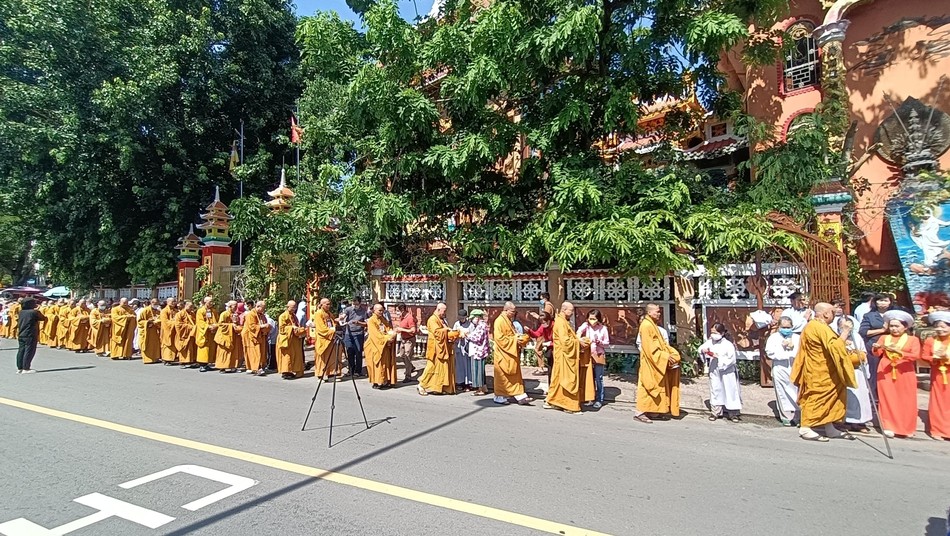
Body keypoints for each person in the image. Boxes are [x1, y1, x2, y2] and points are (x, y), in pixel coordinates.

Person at [791, 302, 857, 442]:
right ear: (826, 314)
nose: (834, 315)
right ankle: (806, 427)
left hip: (828, 369)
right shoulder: (818, 327)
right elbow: (834, 348)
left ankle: (830, 427)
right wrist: (845, 332)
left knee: (832, 398)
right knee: (816, 396)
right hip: (819, 371)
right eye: (832, 312)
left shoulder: (820, 326)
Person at [871, 309, 921, 438]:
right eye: (891, 326)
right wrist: (876, 348)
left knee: (906, 399)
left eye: (897, 326)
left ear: (905, 327)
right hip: (886, 370)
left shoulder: (912, 339)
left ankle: (906, 427)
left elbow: (916, 355)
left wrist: (899, 353)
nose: (893, 329)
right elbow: (876, 353)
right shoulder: (884, 337)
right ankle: (888, 425)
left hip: (904, 371)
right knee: (887, 398)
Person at [633, 304, 681, 423]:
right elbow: (650, 348)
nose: (659, 314)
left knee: (658, 385)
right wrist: (665, 356)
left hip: (657, 361)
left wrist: (671, 353)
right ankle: (640, 412)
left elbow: (661, 344)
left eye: (659, 312)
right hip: (650, 362)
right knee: (648, 386)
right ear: (649, 312)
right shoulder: (646, 325)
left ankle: (654, 411)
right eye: (657, 312)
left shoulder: (653, 325)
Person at [545, 301, 582, 413]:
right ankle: (568, 405)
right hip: (563, 356)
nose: (572, 313)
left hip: (563, 356)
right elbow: (565, 342)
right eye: (571, 310)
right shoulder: (560, 322)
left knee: (558, 379)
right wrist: (578, 342)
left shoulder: (563, 321)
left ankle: (554, 401)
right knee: (566, 379)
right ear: (564, 310)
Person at [492, 302, 532, 406]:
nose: (514, 313)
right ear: (506, 310)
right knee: (502, 376)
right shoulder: (499, 321)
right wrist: (515, 339)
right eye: (512, 311)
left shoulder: (508, 320)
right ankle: (499, 396)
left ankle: (520, 395)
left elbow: (511, 334)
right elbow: (499, 338)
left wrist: (518, 336)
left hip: (511, 353)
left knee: (515, 375)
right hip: (503, 353)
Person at [838, 316, 873, 434]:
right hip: (843, 371)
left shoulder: (857, 337)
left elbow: (863, 352)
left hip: (857, 370)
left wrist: (860, 355)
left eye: (848, 326)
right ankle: (845, 421)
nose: (847, 329)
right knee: (846, 396)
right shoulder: (837, 337)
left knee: (860, 396)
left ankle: (860, 422)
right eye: (843, 327)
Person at [699, 323, 741, 422]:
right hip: (714, 370)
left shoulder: (728, 344)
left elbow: (732, 359)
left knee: (730, 390)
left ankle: (733, 413)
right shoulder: (710, 342)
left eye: (716, 332)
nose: (713, 334)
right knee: (715, 389)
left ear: (722, 333)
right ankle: (716, 412)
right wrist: (703, 351)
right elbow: (701, 349)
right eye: (712, 332)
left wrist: (719, 357)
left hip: (727, 371)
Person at [859, 293, 896, 397]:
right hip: (874, 348)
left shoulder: (895, 315)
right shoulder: (869, 315)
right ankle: (874, 398)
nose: (882, 303)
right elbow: (863, 332)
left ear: (890, 302)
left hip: (892, 347)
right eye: (880, 300)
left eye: (885, 301)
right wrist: (882, 330)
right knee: (875, 373)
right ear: (875, 302)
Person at [765, 316, 800, 426]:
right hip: (780, 368)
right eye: (783, 327)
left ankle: (798, 416)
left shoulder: (797, 337)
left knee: (796, 392)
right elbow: (769, 352)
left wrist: (792, 351)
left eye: (788, 327)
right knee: (782, 392)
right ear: (779, 327)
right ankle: (786, 416)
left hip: (794, 367)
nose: (786, 329)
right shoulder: (774, 338)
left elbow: (802, 351)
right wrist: (784, 353)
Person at [921, 311, 950, 440]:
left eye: (943, 326)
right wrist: (935, 358)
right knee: (938, 402)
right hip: (938, 375)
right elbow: (924, 356)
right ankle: (937, 430)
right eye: (937, 326)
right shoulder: (930, 340)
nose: (940, 329)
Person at [417, 303, 457, 396]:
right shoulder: (432, 319)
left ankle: (438, 387)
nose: (445, 313)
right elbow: (437, 332)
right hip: (435, 348)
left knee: (442, 368)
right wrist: (447, 330)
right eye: (444, 311)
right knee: (431, 367)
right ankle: (422, 385)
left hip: (443, 347)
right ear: (438, 310)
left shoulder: (442, 319)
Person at [576, 309, 609, 409]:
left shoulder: (603, 329)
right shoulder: (586, 326)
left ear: (598, 319)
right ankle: (589, 397)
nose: (592, 321)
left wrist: (599, 342)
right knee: (588, 377)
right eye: (590, 318)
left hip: (598, 354)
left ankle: (599, 399)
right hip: (587, 355)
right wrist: (580, 338)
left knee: (598, 378)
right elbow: (577, 333)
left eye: (594, 319)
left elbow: (607, 343)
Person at [364, 303, 397, 389]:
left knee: (385, 363)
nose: (381, 312)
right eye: (379, 310)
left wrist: (391, 334)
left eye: (382, 310)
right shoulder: (371, 320)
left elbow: (388, 329)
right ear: (374, 311)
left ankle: (385, 380)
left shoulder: (383, 319)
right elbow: (375, 335)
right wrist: (387, 338)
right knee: (377, 364)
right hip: (374, 345)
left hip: (384, 345)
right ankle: (376, 382)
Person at [278, 300, 308, 379]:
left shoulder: (294, 316)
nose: (294, 309)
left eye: (295, 307)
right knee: (288, 356)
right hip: (287, 339)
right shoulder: (283, 316)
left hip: (295, 339)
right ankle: (286, 372)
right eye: (292, 307)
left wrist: (299, 329)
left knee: (296, 355)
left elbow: (297, 325)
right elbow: (282, 329)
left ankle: (296, 370)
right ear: (287, 307)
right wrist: (292, 328)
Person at [311, 298, 340, 379]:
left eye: (329, 304)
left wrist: (337, 321)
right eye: (327, 304)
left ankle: (330, 372)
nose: (328, 306)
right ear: (321, 304)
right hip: (323, 338)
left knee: (331, 356)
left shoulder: (329, 313)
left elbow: (332, 322)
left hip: (330, 338)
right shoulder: (318, 313)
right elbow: (321, 328)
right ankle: (321, 374)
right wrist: (332, 330)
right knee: (322, 357)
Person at [15, 298, 45, 374]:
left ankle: (20, 368)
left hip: (21, 333)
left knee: (21, 350)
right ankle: (26, 368)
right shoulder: (33, 312)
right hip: (30, 334)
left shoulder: (21, 312)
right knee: (29, 350)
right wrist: (38, 310)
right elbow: (43, 318)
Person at [341, 297, 368, 377]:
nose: (354, 305)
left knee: (358, 352)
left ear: (359, 303)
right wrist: (340, 318)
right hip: (348, 333)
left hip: (359, 333)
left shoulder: (363, 311)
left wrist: (359, 323)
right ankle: (351, 370)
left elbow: (366, 323)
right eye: (353, 303)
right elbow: (343, 316)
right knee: (350, 351)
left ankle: (358, 371)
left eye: (356, 304)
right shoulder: (348, 309)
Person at [465, 309, 490, 395]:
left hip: (479, 351)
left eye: (473, 319)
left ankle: (480, 389)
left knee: (478, 370)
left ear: (477, 317)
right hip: (478, 351)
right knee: (480, 370)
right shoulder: (480, 325)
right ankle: (483, 387)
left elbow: (477, 338)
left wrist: (467, 336)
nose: (472, 321)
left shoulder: (481, 326)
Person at [214, 300, 243, 373]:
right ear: (230, 306)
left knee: (233, 352)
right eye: (235, 306)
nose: (236, 307)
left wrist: (236, 324)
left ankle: (232, 366)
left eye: (237, 306)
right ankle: (222, 367)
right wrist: (231, 325)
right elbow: (220, 324)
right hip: (224, 336)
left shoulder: (235, 314)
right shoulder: (224, 314)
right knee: (224, 352)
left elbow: (237, 324)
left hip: (233, 336)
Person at [242, 301, 270, 376]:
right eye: (263, 308)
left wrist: (266, 328)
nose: (263, 310)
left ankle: (260, 366)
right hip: (251, 336)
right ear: (257, 306)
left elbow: (264, 323)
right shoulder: (251, 314)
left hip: (260, 335)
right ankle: (255, 368)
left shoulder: (261, 315)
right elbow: (251, 326)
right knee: (255, 352)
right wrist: (262, 326)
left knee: (261, 352)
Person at [394, 303, 417, 382]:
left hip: (409, 340)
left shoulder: (410, 318)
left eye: (397, 310)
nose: (396, 313)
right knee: (402, 355)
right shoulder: (402, 317)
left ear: (402, 310)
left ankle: (408, 376)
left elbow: (413, 330)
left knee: (407, 357)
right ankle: (411, 367)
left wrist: (402, 330)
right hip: (403, 339)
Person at [527, 311, 554, 379]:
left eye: (544, 322)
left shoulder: (555, 326)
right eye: (541, 323)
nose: (543, 324)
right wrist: (529, 331)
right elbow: (536, 334)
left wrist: (550, 343)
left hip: (556, 349)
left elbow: (559, 340)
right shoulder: (543, 326)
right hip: (550, 349)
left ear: (548, 320)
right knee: (550, 369)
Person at [195, 297, 218, 372]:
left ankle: (207, 364)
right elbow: (200, 322)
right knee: (204, 348)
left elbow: (216, 320)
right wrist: (208, 326)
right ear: (205, 302)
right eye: (210, 302)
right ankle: (202, 365)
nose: (212, 303)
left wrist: (215, 326)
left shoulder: (213, 311)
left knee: (210, 348)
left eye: (212, 301)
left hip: (211, 332)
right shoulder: (200, 311)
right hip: (204, 332)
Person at [453, 309, 473, 391]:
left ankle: (468, 383)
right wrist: (457, 335)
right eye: (460, 317)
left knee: (467, 365)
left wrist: (467, 335)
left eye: (463, 318)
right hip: (458, 346)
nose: (461, 319)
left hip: (466, 347)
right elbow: (453, 333)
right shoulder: (456, 324)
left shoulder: (470, 325)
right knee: (459, 365)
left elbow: (473, 335)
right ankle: (459, 382)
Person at [137, 298, 162, 364]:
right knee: (148, 344)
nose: (157, 305)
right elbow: (140, 321)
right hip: (147, 331)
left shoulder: (158, 311)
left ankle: (155, 357)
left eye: (157, 304)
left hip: (155, 331)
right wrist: (148, 322)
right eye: (155, 304)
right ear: (152, 303)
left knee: (155, 344)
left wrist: (157, 321)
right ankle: (148, 359)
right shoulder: (145, 310)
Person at [174, 301, 198, 368]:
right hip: (184, 334)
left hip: (192, 333)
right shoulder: (180, 314)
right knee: (185, 347)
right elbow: (178, 325)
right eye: (190, 307)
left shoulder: (192, 314)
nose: (191, 308)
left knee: (192, 347)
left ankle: (191, 360)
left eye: (192, 307)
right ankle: (183, 362)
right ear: (186, 306)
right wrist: (189, 327)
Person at [159, 297, 178, 365]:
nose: (174, 303)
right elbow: (165, 322)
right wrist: (174, 322)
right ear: (167, 302)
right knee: (167, 344)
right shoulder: (164, 311)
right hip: (166, 330)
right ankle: (166, 359)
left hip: (174, 330)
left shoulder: (175, 311)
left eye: (175, 301)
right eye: (172, 301)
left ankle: (173, 358)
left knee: (173, 343)